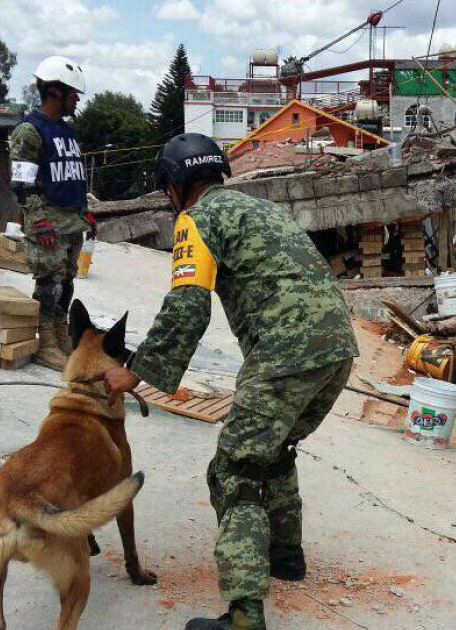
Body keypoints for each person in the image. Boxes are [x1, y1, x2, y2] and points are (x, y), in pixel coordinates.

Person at [104, 133, 359, 630]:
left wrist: (136, 371)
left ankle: (244, 616)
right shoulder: (259, 210)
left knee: (234, 472)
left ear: (175, 186)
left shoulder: (195, 220)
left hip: (285, 353)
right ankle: (286, 556)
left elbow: (187, 305)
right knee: (274, 447)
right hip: (338, 352)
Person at [8, 55, 95, 370]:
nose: (77, 100)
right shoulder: (29, 131)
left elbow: (72, 175)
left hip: (71, 221)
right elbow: (21, 184)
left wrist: (86, 213)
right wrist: (37, 220)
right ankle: (45, 343)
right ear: (56, 91)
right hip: (47, 221)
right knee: (49, 285)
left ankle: (60, 335)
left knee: (67, 284)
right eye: (74, 93)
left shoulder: (66, 132)